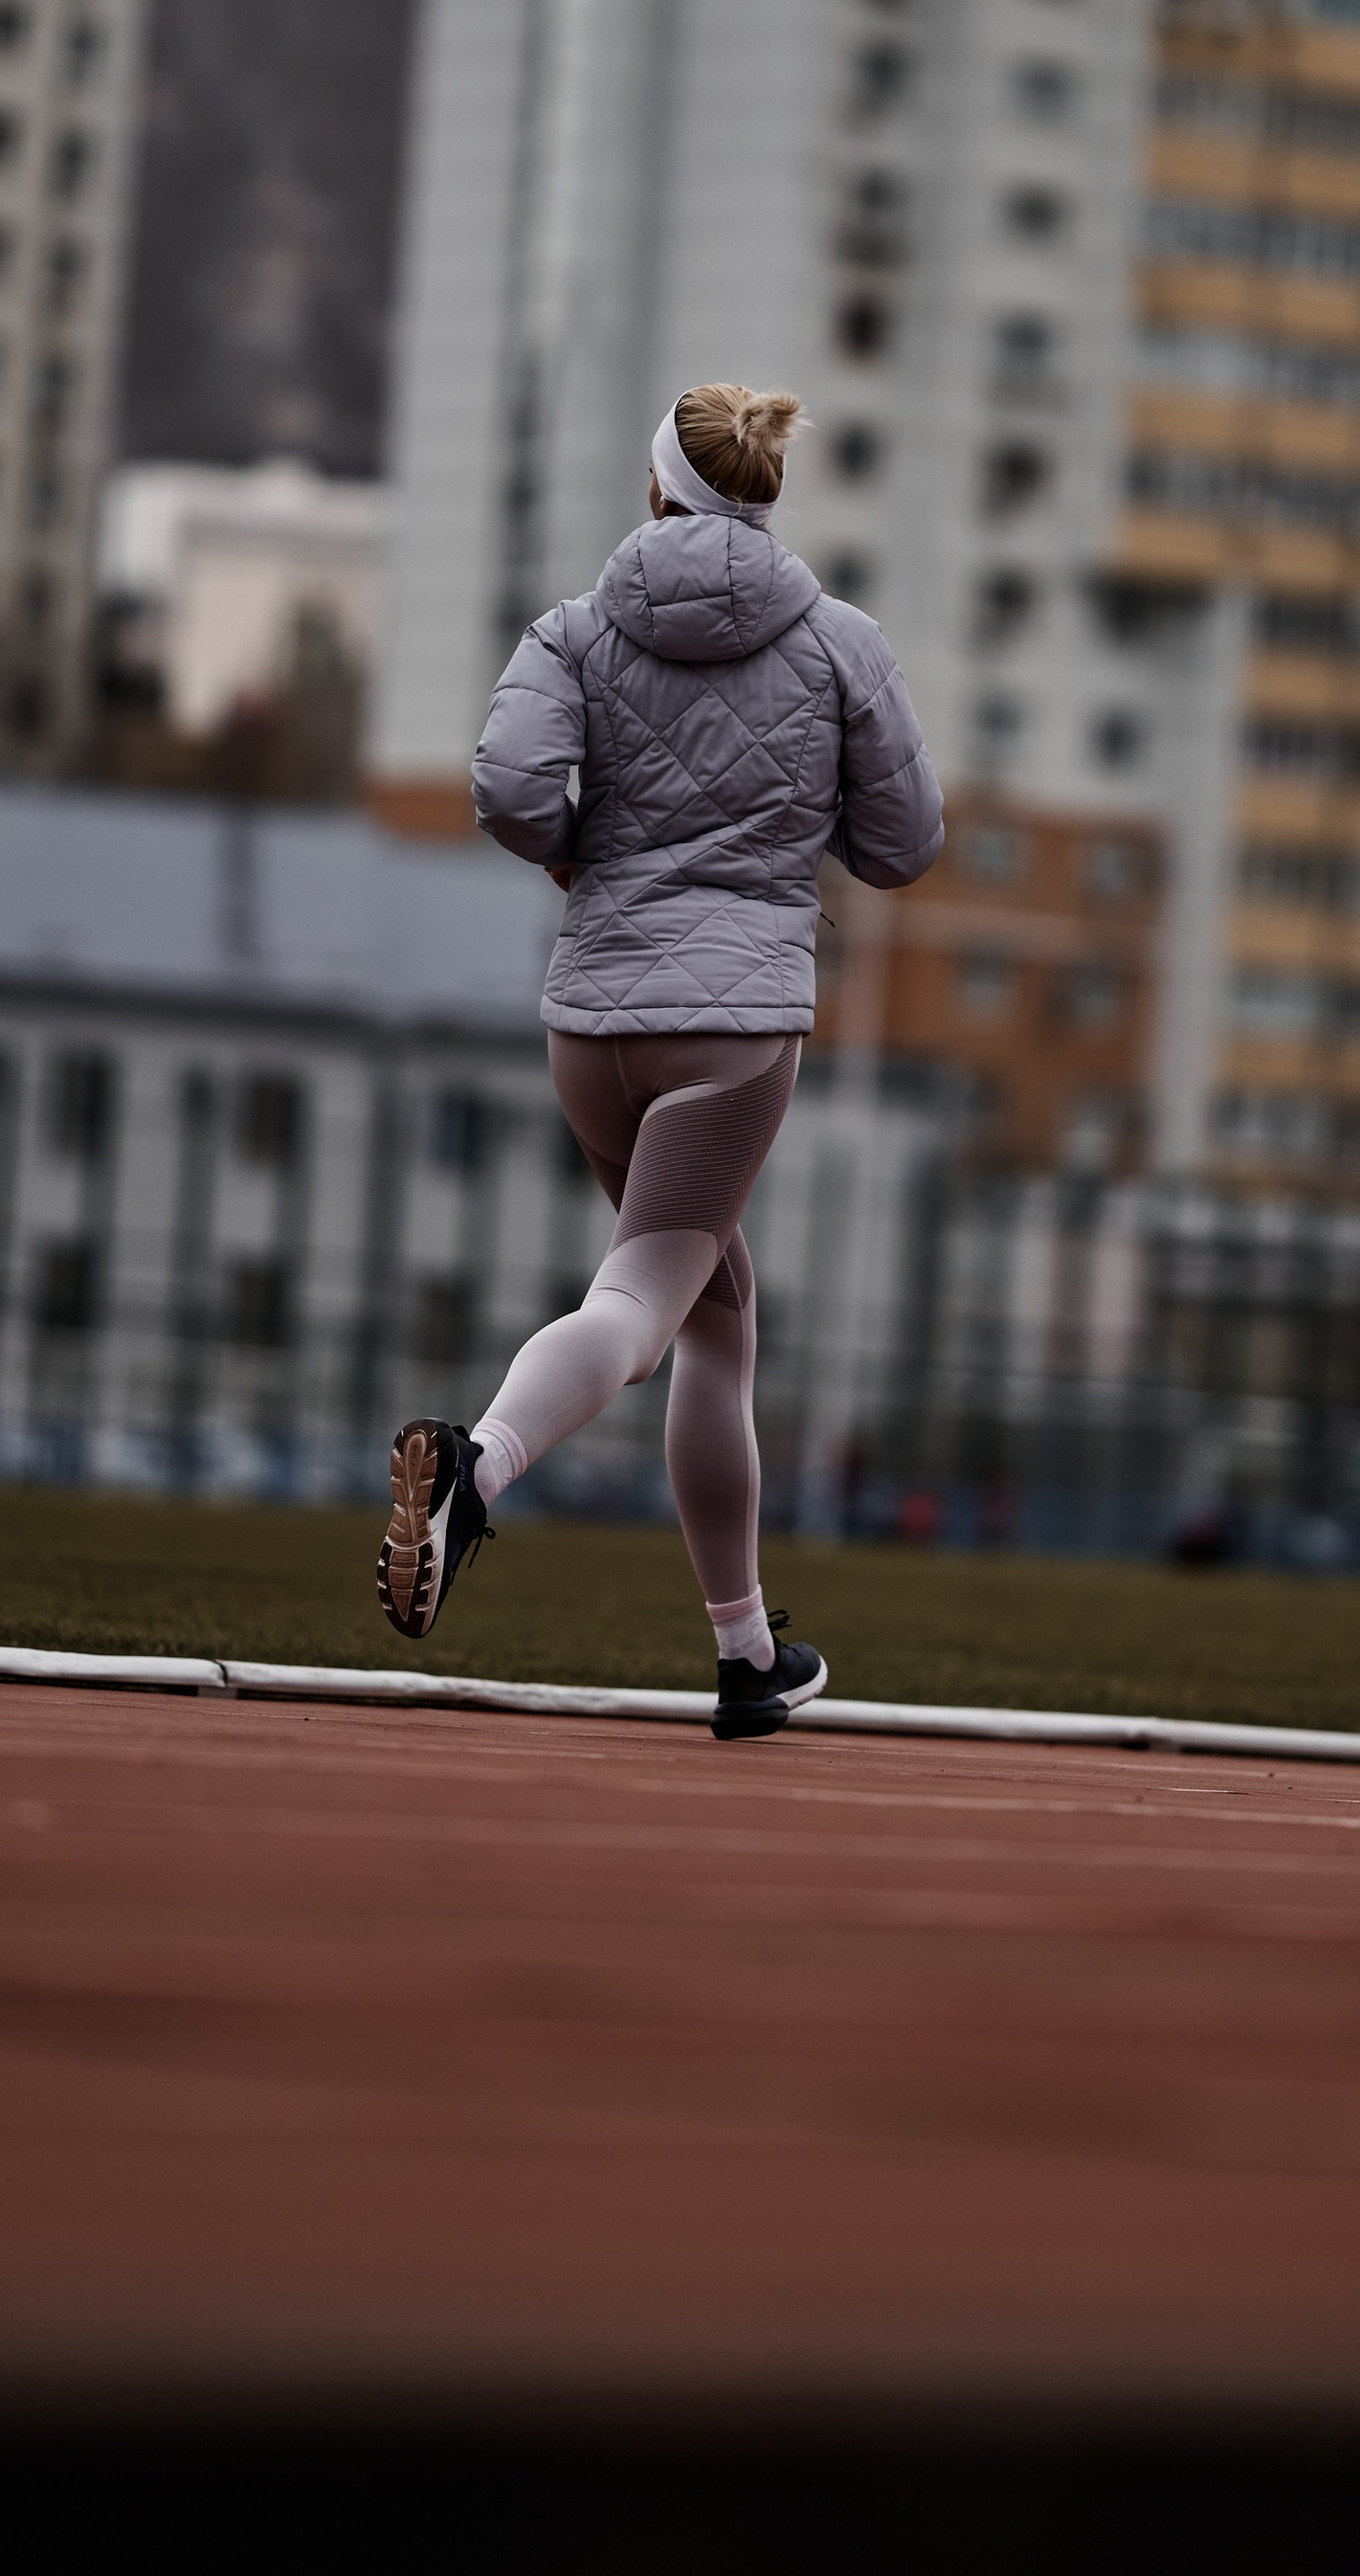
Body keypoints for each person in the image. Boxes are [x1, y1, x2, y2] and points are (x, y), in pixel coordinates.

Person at [378, 381, 943, 1739]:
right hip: (735, 1030)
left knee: (717, 1319)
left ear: (655, 495)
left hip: (594, 1023)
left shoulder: (571, 630)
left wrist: (583, 844)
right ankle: (478, 1464)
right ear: (764, 496)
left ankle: (749, 1655)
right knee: (642, 1309)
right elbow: (906, 839)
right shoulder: (839, 643)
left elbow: (510, 791)